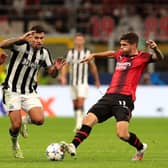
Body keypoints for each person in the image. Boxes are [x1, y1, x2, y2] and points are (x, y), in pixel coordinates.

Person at [62, 32, 164, 160]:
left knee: (122, 134)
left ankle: (141, 147)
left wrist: (155, 48)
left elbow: (160, 58)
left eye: (124, 45)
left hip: (125, 98)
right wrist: (93, 55)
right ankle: (73, 145)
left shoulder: (143, 57)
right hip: (108, 96)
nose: (121, 48)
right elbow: (111, 53)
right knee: (88, 119)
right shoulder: (120, 54)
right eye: (120, 45)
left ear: (133, 45)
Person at [0, 25, 65, 158]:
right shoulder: (20, 45)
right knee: (15, 126)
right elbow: (2, 44)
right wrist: (20, 38)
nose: (39, 41)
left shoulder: (44, 53)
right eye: (36, 38)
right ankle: (15, 145)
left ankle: (25, 121)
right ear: (30, 37)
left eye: (41, 38)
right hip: (12, 90)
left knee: (39, 120)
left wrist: (56, 69)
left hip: (29, 91)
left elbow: (51, 73)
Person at [59, 33, 100, 131]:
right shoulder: (70, 53)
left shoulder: (87, 52)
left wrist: (97, 80)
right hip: (73, 82)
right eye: (77, 40)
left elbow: (93, 67)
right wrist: (63, 77)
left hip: (83, 82)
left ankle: (79, 125)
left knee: (80, 102)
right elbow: (65, 65)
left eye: (81, 40)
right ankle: (78, 121)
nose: (79, 42)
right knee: (75, 104)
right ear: (74, 41)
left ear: (83, 41)